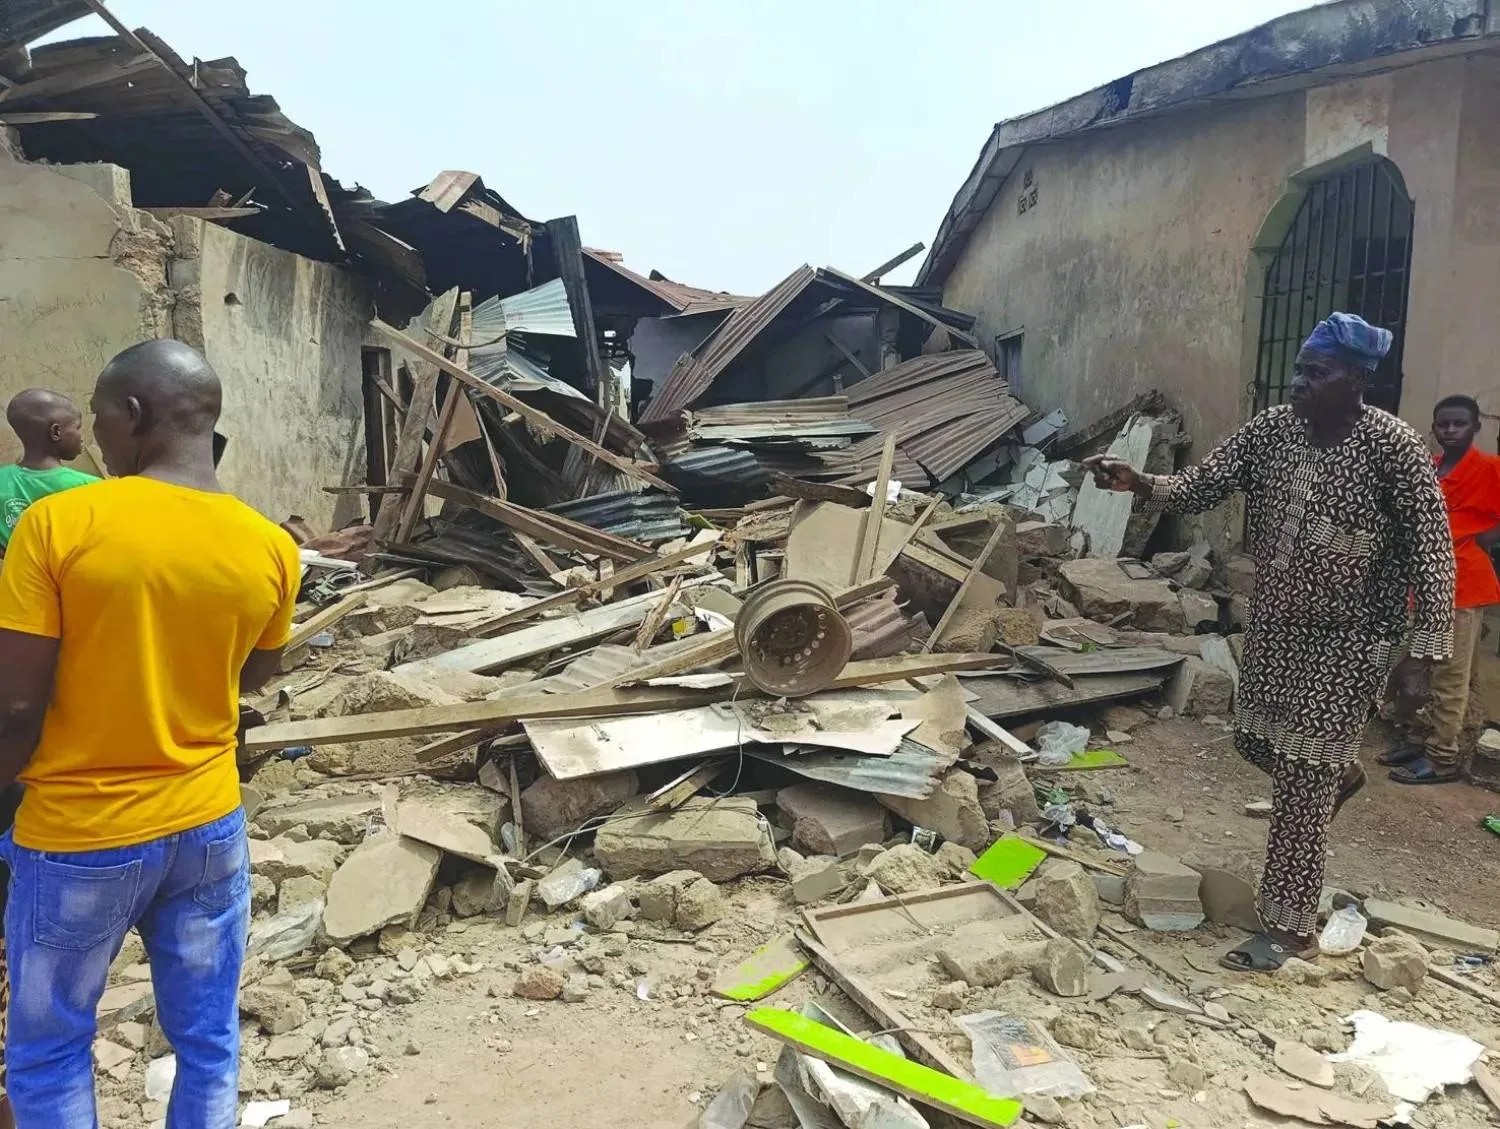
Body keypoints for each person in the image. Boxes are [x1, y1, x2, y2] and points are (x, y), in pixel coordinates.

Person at [1084, 312, 1454, 974]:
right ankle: (1336, 771)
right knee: (1258, 741)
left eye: (1317, 373)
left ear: (1358, 378)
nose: (1301, 383)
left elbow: (1432, 551)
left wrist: (1423, 656)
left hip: (1352, 636)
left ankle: (1289, 927)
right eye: (1300, 371)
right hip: (1279, 625)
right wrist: (1141, 482)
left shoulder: (1392, 447)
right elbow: (1206, 481)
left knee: (1300, 777)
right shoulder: (1275, 431)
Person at [0, 339, 301, 1128]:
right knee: (206, 1038)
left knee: (50, 1045)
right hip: (208, 825)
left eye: (97, 415)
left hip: (79, 830)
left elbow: (17, 708)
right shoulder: (270, 543)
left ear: (130, 414)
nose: (93, 433)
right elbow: (256, 672)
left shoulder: (60, 521)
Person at [1379, 395, 1500, 784]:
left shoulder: (1488, 468)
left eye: (1458, 424)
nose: (1449, 431)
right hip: (1424, 585)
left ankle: (1443, 757)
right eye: (1443, 424)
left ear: (1475, 426)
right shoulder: (1429, 468)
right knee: (1422, 670)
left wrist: (1486, 539)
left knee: (1450, 674)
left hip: (1463, 584)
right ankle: (1419, 739)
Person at [0, 389, 96, 550]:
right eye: (77, 428)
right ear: (56, 432)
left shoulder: (2, 480)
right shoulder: (89, 487)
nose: (81, 436)